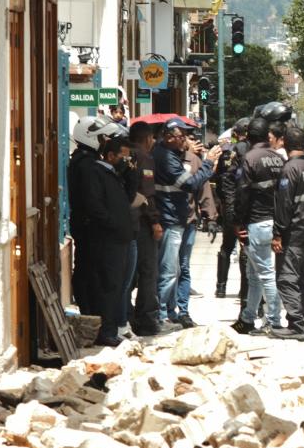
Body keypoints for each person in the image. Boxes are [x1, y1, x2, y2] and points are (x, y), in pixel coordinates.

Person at [153, 118, 220, 331]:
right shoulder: (165, 157)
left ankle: (176, 312)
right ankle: (162, 314)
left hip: (183, 220)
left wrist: (209, 214)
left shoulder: (181, 156)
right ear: (168, 137)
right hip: (170, 220)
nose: (186, 140)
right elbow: (190, 183)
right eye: (182, 136)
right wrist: (208, 162)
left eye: (186, 136)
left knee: (181, 268)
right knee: (169, 271)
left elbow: (203, 187)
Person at [77, 136, 136, 347]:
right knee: (106, 286)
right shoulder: (96, 172)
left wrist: (130, 173)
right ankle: (105, 331)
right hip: (106, 239)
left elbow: (128, 196)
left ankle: (110, 329)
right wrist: (112, 223)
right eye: (123, 157)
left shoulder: (114, 175)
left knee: (117, 285)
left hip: (119, 239)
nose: (126, 162)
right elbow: (95, 205)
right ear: (110, 156)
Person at [68, 115, 126, 317]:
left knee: (91, 273)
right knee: (91, 274)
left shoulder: (86, 161)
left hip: (90, 228)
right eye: (102, 138)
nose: (105, 143)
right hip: (90, 230)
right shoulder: (86, 165)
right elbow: (92, 202)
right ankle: (92, 317)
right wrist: (111, 222)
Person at [232, 117, 286, 335]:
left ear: (249, 137)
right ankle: (247, 318)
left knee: (264, 274)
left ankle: (273, 321)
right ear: (267, 136)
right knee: (253, 273)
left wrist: (237, 222)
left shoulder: (249, 159)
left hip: (256, 222)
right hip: (274, 222)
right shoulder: (278, 159)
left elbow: (242, 193)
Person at [271, 127, 304, 341]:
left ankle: (297, 325)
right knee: (300, 279)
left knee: (285, 278)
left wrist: (277, 234)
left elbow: (284, 205)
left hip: (293, 233)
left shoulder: (289, 170)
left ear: (284, 143)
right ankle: (299, 322)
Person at [127, 122, 164, 336]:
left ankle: (127, 316)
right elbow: (147, 193)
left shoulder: (125, 154)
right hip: (142, 223)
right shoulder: (144, 157)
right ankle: (147, 320)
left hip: (125, 222)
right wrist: (155, 221)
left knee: (128, 274)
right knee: (148, 272)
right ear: (148, 138)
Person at [215, 118, 250, 299]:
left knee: (226, 248)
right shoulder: (255, 151)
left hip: (230, 206)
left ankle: (221, 287)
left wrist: (225, 205)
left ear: (235, 134)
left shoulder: (228, 153)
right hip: (248, 209)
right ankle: (245, 290)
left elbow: (222, 181)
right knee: (247, 249)